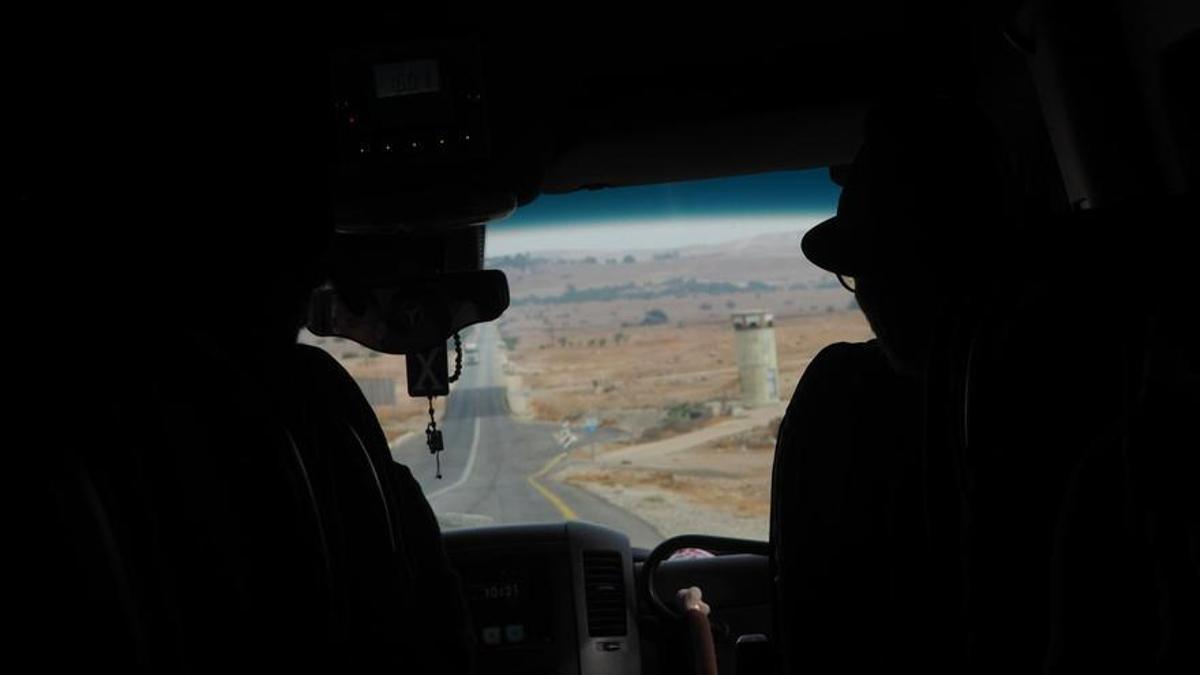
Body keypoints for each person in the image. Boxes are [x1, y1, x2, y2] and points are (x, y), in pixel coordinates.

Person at [771, 97, 1012, 673]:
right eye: (867, 269)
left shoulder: (841, 398)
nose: (875, 294)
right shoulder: (1103, 400)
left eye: (893, 260)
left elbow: (811, 618)